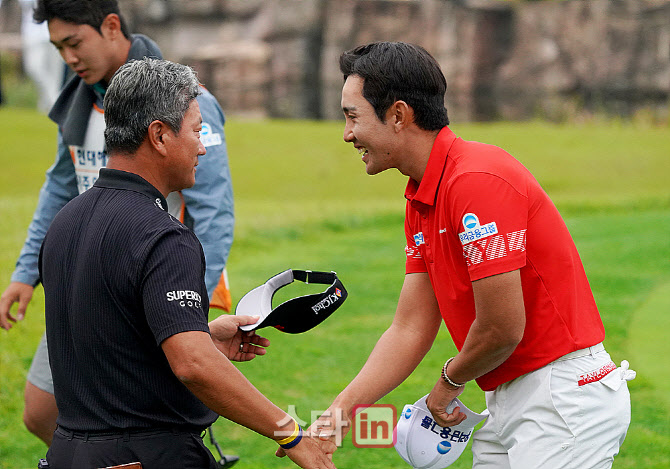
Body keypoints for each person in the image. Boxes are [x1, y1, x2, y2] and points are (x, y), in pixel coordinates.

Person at [308, 41, 633, 468]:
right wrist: (338, 414)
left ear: (399, 115)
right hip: (513, 395)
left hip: (562, 395)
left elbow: (502, 328)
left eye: (353, 116)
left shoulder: (476, 180)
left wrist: (448, 382)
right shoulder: (421, 197)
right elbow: (410, 327)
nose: (347, 133)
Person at [38, 57, 336, 469]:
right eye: (197, 131)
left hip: (68, 454)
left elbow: (108, 342)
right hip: (148, 456)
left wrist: (200, 334)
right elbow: (193, 366)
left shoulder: (65, 223)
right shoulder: (165, 237)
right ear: (159, 135)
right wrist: (291, 432)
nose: (201, 146)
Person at [0, 0, 234, 448]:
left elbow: (214, 210)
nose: (68, 58)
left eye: (74, 43)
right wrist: (26, 272)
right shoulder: (77, 101)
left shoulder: (185, 100)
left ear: (111, 26)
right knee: (41, 411)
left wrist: (191, 304)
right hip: (86, 272)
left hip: (152, 278)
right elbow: (59, 186)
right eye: (58, 48)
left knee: (157, 421)